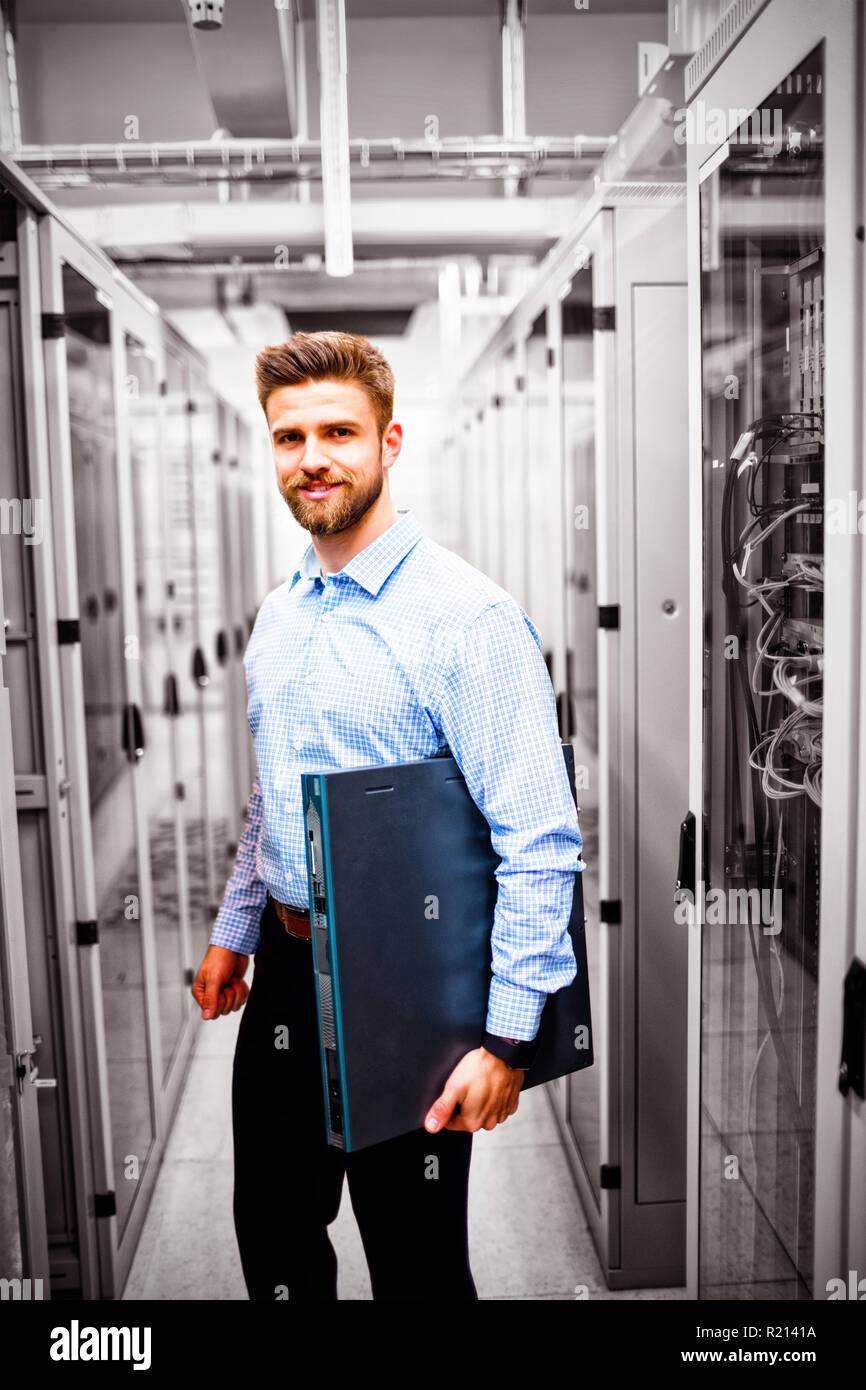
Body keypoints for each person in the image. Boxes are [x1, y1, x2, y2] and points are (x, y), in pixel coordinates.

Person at [191, 330, 583, 1301]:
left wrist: (503, 1041)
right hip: (284, 968)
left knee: (413, 1257)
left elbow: (538, 845)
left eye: (337, 431)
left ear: (388, 442)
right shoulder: (277, 618)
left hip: (401, 978)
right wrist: (233, 932)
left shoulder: (467, 621)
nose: (312, 457)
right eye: (289, 437)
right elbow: (274, 794)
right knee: (272, 1230)